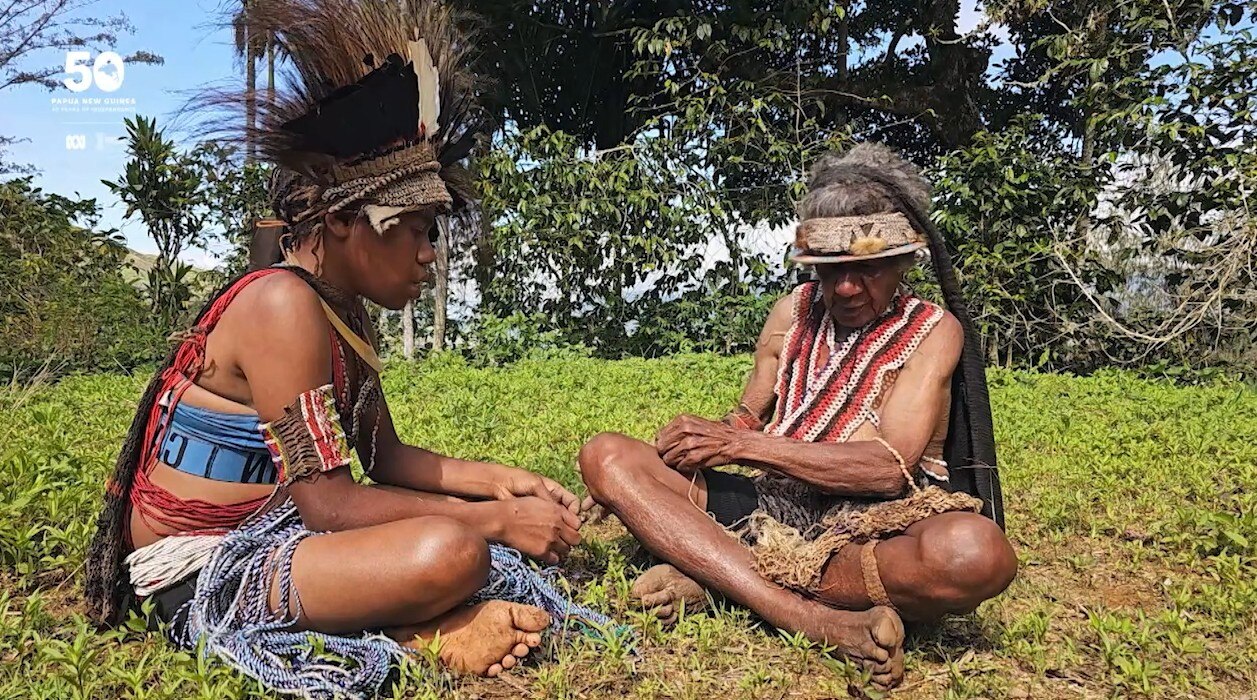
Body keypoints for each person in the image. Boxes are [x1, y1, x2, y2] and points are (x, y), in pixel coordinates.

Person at [83, 1, 608, 695]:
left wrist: (499, 480)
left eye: (432, 233)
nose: (427, 255)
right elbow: (327, 507)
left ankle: (421, 625)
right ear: (339, 222)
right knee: (451, 551)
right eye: (415, 229)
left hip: (269, 545)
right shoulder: (281, 304)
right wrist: (497, 521)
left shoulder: (337, 311)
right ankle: (417, 635)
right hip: (196, 574)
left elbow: (383, 455)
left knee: (459, 545)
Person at [578, 144, 1018, 690]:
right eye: (831, 271)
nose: (847, 287)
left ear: (905, 261)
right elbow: (744, 420)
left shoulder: (933, 330)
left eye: (868, 268)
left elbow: (887, 468)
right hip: (770, 512)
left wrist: (744, 449)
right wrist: (679, 453)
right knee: (607, 455)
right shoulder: (793, 311)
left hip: (870, 530)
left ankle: (718, 575)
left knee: (977, 554)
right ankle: (808, 616)